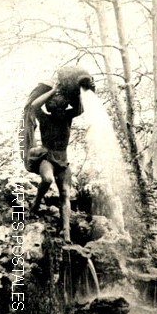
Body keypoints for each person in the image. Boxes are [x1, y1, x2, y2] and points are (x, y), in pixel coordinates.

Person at [23, 66, 95, 243]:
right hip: (47, 156)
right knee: (47, 179)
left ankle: (66, 232)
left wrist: (81, 89)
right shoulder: (45, 118)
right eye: (57, 107)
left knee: (65, 193)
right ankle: (36, 203)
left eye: (63, 106)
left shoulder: (68, 117)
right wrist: (54, 89)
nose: (61, 110)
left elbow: (80, 108)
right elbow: (34, 106)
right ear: (52, 107)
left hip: (63, 159)